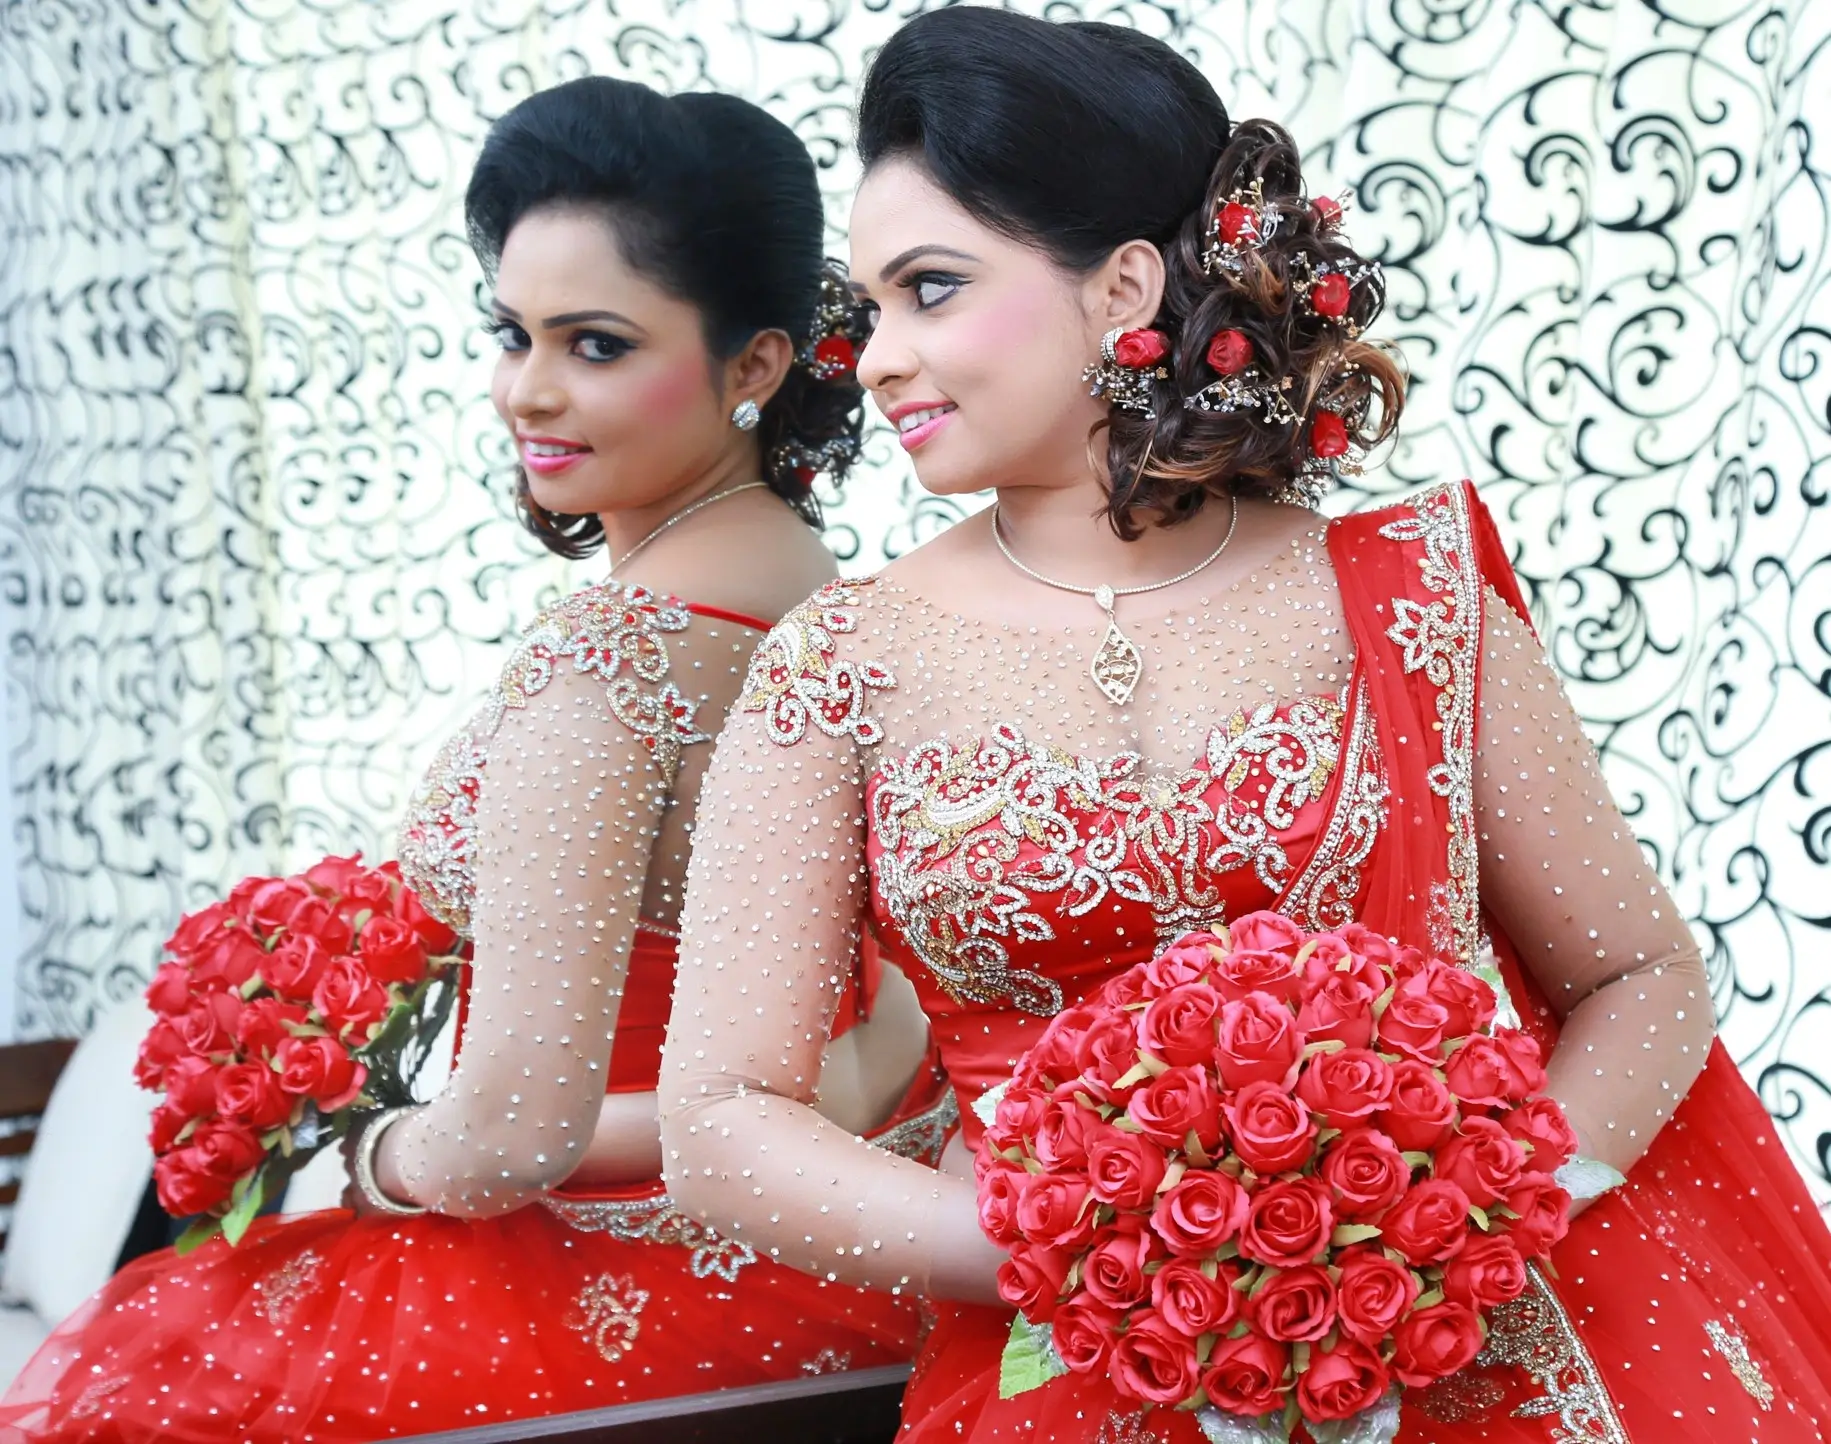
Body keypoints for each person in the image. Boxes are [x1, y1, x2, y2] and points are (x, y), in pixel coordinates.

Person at [656, 10, 1831, 1442]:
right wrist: (1117, 1267)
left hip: (1475, 1344)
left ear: (1123, 284)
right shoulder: (833, 667)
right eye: (870, 306)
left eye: (932, 290)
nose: (878, 357)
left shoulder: (1409, 596)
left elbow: (1638, 973)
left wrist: (1462, 1225)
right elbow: (722, 1123)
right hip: (1073, 1370)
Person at [1, 76, 948, 1444]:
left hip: (628, 1278)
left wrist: (348, 1150)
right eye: (512, 331)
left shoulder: (608, 673)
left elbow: (511, 1135)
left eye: (597, 343)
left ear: (755, 366)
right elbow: (867, 1057)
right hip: (857, 1276)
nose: (527, 389)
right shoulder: (838, 606)